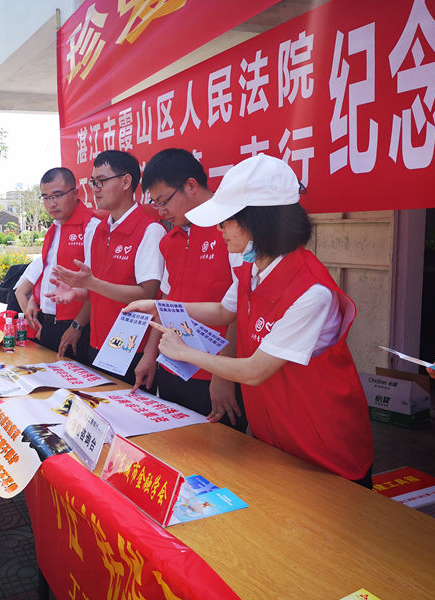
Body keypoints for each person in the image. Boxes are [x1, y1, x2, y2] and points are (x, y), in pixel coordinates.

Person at [126, 154, 374, 486]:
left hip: (324, 445)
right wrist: (159, 307)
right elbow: (223, 312)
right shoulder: (251, 270)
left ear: (258, 222)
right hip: (275, 437)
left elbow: (255, 370)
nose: (219, 229)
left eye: (226, 220)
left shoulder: (311, 292)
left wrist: (185, 352)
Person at [136, 149, 247, 431]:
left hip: (216, 373)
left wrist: (223, 375)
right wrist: (151, 355)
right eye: (155, 203)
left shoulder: (232, 232)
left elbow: (240, 306)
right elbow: (165, 302)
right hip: (174, 365)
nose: (161, 212)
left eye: (164, 202)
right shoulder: (170, 239)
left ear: (191, 186)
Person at [51, 150, 165, 385]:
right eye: (93, 182)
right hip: (98, 342)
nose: (96, 188)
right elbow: (98, 288)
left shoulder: (150, 230)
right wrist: (78, 292)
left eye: (102, 181)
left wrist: (90, 284)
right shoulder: (97, 229)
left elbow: (148, 294)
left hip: (133, 348)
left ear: (126, 182)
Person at [24, 167, 98, 362]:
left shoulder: (91, 226)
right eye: (46, 197)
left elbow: (96, 284)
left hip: (76, 326)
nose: (51, 203)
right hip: (47, 322)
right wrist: (34, 299)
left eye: (57, 195)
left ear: (76, 193)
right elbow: (46, 272)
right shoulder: (52, 229)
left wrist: (77, 326)